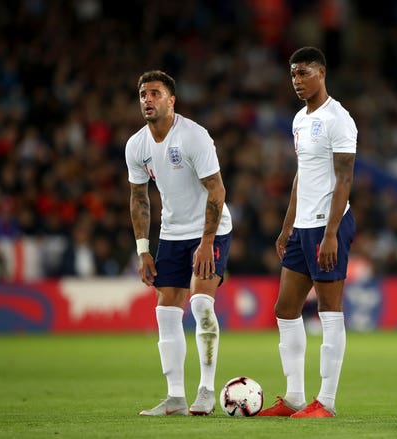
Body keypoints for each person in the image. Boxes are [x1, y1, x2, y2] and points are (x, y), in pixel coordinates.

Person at [125, 70, 233, 416]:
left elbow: (217, 189)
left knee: (201, 305)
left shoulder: (193, 137)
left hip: (209, 230)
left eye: (155, 93)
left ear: (171, 100)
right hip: (172, 233)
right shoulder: (136, 145)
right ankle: (174, 397)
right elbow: (139, 198)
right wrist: (143, 250)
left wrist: (207, 240)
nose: (147, 100)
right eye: (143, 94)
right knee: (165, 312)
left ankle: (206, 390)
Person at [257, 47, 357, 418]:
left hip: (329, 225)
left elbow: (344, 177)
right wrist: (287, 227)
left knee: (330, 311)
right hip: (302, 227)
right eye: (293, 74)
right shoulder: (299, 119)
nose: (297, 81)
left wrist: (331, 233)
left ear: (322, 72)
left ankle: (326, 402)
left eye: (304, 73)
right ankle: (296, 397)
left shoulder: (339, 119)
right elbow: (303, 175)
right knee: (285, 309)